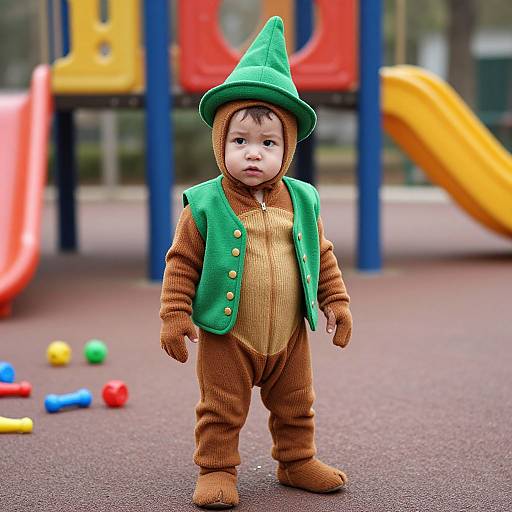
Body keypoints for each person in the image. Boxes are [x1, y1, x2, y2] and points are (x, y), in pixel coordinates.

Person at [160, 16, 353, 510]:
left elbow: (322, 254)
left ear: (287, 150)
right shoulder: (204, 205)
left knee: (296, 404)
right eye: (239, 140)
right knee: (221, 408)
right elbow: (181, 263)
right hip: (229, 334)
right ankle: (218, 468)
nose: (253, 154)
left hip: (289, 333)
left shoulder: (302, 199)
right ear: (220, 142)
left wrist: (337, 301)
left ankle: (295, 461)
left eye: (268, 144)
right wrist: (174, 316)